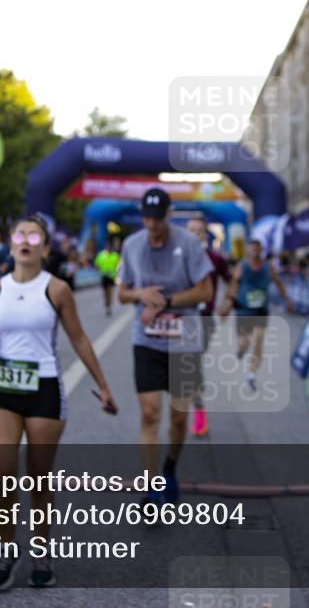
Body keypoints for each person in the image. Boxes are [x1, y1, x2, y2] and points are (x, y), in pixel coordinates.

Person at [0, 215, 118, 591]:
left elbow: (80, 339)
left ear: (45, 249)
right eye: (20, 233)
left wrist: (104, 385)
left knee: (39, 477)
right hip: (4, 389)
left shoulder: (57, 290)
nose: (25, 239)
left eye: (34, 235)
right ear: (12, 243)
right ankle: (6, 552)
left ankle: (41, 552)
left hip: (45, 389)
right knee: (1, 474)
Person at [118, 188, 213, 504]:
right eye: (147, 217)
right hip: (146, 339)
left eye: (157, 218)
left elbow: (205, 292)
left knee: (178, 417)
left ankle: (170, 468)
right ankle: (150, 486)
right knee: (149, 414)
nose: (152, 224)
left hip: (183, 339)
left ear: (169, 214)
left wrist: (167, 301)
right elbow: (122, 293)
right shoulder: (131, 245)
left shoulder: (187, 243)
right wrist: (140, 295)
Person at [218, 238, 295, 391]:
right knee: (244, 342)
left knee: (258, 340)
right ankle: (241, 350)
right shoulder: (242, 266)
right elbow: (233, 285)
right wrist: (227, 304)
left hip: (261, 310)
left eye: (256, 248)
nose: (254, 251)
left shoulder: (268, 267)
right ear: (247, 251)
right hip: (243, 309)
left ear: (261, 251)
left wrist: (287, 300)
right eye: (251, 248)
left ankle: (251, 375)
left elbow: (279, 283)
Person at [186, 217, 232, 436]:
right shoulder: (177, 257)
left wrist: (227, 302)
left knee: (192, 363)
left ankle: (198, 411)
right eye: (190, 230)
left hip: (204, 319)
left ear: (205, 235)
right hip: (179, 320)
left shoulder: (214, 259)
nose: (194, 234)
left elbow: (231, 279)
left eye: (198, 231)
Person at [95, 238, 121, 317]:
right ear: (105, 248)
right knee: (105, 293)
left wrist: (117, 271)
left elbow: (120, 264)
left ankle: (109, 306)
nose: (108, 248)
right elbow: (97, 264)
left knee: (110, 292)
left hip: (112, 276)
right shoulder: (101, 255)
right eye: (107, 247)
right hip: (104, 276)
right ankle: (106, 301)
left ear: (111, 248)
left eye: (109, 247)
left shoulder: (115, 256)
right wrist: (99, 271)